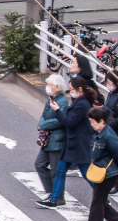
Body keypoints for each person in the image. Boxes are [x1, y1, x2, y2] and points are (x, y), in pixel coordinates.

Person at [40, 76, 95, 206]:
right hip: (72, 142)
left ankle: (103, 196)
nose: (69, 91)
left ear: (80, 89)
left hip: (78, 144)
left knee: (86, 173)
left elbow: (70, 122)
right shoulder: (79, 101)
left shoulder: (82, 104)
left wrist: (58, 110)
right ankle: (54, 199)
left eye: (71, 89)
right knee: (60, 171)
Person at [34, 73, 69, 196]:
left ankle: (58, 195)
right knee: (39, 164)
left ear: (57, 87)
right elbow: (43, 115)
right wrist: (42, 124)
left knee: (55, 169)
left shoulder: (62, 102)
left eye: (49, 85)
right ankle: (51, 191)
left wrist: (43, 125)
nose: (47, 87)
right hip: (48, 139)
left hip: (56, 139)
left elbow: (60, 120)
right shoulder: (51, 100)